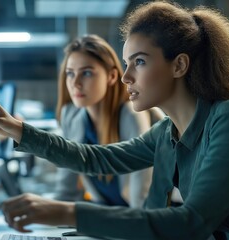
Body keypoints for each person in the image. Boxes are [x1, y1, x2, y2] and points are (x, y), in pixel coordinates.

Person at [0, 1, 229, 239]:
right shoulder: (166, 133)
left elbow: (191, 223)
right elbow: (96, 158)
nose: (126, 77)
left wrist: (68, 213)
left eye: (138, 62)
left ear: (179, 65)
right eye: (127, 64)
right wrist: (16, 128)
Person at [53, 34, 156, 208]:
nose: (75, 83)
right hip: (108, 216)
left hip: (141, 220)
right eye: (70, 74)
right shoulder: (70, 116)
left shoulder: (132, 115)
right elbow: (65, 191)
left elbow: (142, 201)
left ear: (112, 76)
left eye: (86, 73)